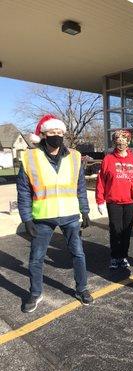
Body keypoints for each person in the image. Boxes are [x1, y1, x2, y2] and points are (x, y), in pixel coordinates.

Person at [17, 114, 93, 313]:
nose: (57, 136)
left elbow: (80, 187)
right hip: (43, 218)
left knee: (78, 254)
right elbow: (24, 191)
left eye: (60, 133)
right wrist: (26, 219)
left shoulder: (75, 157)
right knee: (36, 257)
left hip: (70, 216)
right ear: (43, 134)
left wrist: (85, 211)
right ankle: (35, 293)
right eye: (52, 133)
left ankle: (82, 288)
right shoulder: (30, 157)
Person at [96, 129, 133, 269]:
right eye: (118, 140)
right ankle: (115, 256)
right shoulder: (108, 159)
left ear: (128, 142)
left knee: (127, 231)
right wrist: (100, 200)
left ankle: (123, 256)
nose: (121, 142)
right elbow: (101, 181)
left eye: (124, 140)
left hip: (131, 202)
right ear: (114, 142)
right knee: (115, 230)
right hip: (114, 202)